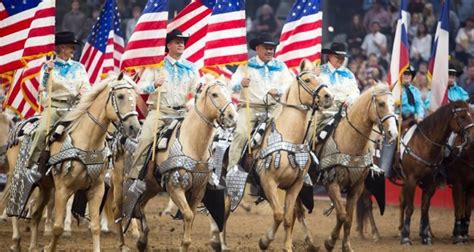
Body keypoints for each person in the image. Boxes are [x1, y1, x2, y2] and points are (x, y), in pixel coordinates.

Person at [125, 29, 200, 196]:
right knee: (144, 139)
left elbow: (197, 92)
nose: (181, 44)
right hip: (160, 113)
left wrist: (191, 102)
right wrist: (153, 84)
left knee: (205, 138)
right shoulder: (156, 65)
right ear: (168, 45)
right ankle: (134, 178)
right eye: (177, 41)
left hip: (182, 114)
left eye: (183, 41)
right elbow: (139, 88)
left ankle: (205, 176)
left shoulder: (191, 67)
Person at [226, 33, 293, 172]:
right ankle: (232, 170)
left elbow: (290, 85)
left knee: (291, 132)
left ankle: (295, 169)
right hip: (250, 109)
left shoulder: (281, 66)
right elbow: (231, 85)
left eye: (271, 48)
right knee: (241, 133)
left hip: (276, 109)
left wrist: (279, 91)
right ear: (257, 48)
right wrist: (240, 83)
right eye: (266, 48)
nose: (269, 51)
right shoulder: (246, 66)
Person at [27, 31, 91, 170]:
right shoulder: (48, 66)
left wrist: (83, 92)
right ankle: (31, 165)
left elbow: (86, 85)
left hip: (75, 109)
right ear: (62, 48)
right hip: (55, 108)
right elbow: (42, 87)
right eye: (71, 47)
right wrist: (48, 73)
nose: (74, 50)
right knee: (42, 131)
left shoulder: (79, 67)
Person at [308, 42, 359, 143]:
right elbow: (309, 89)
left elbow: (355, 92)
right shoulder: (319, 70)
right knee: (309, 133)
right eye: (337, 57)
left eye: (343, 57)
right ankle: (308, 151)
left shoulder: (348, 74)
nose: (341, 60)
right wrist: (314, 75)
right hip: (323, 111)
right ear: (330, 56)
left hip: (344, 112)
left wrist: (350, 99)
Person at [399, 65, 424, 129]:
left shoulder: (415, 91)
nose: (407, 76)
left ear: (411, 77)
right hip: (399, 119)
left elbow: (419, 105)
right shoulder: (396, 89)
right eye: (405, 74)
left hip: (412, 120)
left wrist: (420, 116)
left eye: (409, 74)